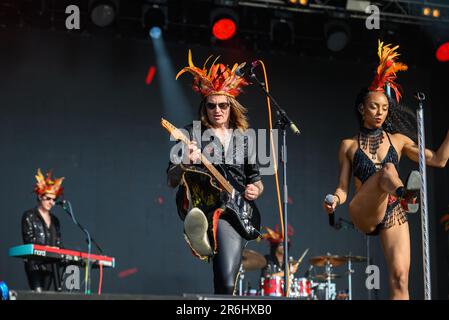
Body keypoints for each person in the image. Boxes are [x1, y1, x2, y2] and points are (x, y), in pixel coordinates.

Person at [323, 41, 449, 299]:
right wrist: (335, 199)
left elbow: (439, 160)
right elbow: (343, 188)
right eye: (373, 107)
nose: (380, 112)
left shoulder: (399, 141)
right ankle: (406, 193)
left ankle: (403, 195)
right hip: (363, 210)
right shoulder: (348, 145)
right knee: (386, 172)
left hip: (393, 211)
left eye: (384, 108)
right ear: (362, 109)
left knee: (401, 279)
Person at [167, 50, 264, 295]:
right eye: (211, 105)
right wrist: (184, 162)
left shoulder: (245, 139)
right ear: (204, 106)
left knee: (226, 281)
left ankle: (208, 242)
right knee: (224, 276)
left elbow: (256, 181)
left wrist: (256, 189)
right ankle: (200, 227)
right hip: (206, 200)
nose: (217, 110)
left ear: (231, 106)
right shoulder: (190, 133)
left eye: (223, 105)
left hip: (237, 209)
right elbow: (171, 178)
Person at [22, 168, 64, 292]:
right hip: (35, 264)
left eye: (54, 199)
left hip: (51, 265)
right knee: (37, 294)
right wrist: (48, 249)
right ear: (40, 196)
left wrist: (62, 252)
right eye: (48, 198)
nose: (51, 202)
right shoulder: (29, 215)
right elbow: (29, 240)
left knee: (45, 295)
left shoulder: (55, 220)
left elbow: (58, 243)